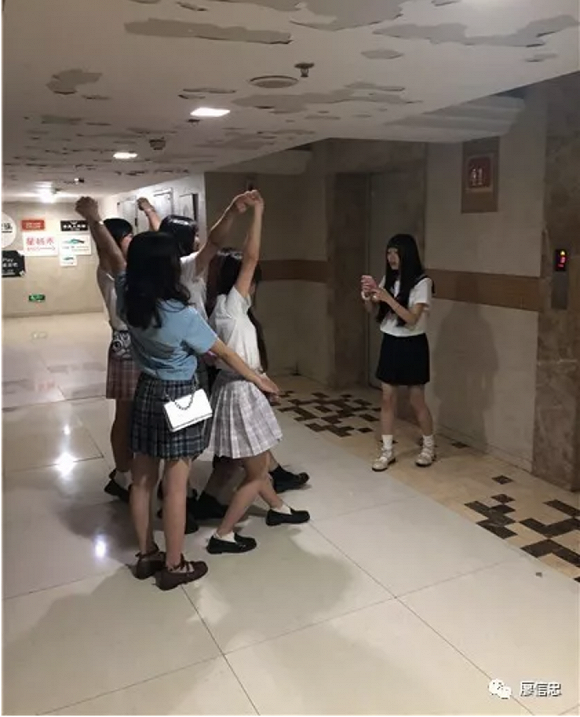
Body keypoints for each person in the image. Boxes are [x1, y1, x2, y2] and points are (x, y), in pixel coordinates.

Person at [76, 194, 279, 590]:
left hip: (147, 389)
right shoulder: (181, 315)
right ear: (168, 268)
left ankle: (146, 555)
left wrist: (94, 221)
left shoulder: (128, 296)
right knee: (176, 483)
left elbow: (112, 258)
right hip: (183, 393)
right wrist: (258, 379)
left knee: (142, 480)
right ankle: (175, 563)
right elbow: (225, 353)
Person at [206, 191, 310, 555]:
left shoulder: (218, 308)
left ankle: (278, 508)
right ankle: (223, 535)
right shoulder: (232, 307)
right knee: (255, 473)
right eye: (250, 280)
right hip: (240, 392)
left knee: (258, 460)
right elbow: (251, 257)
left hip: (234, 389)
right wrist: (259, 212)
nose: (253, 285)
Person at [361, 234, 436, 471]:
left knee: (416, 399)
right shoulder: (390, 279)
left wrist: (388, 298)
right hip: (391, 341)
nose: (391, 258)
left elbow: (412, 318)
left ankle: (429, 446)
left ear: (407, 254)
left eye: (396, 253)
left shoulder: (422, 282)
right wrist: (367, 296)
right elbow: (372, 310)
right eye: (389, 253)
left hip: (413, 344)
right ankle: (387, 451)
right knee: (387, 398)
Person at [94, 217, 140, 503]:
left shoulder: (132, 269)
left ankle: (129, 469)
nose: (132, 240)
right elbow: (107, 252)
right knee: (125, 413)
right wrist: (92, 219)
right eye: (128, 236)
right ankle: (123, 475)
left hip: (141, 343)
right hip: (126, 345)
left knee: (136, 413)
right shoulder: (110, 270)